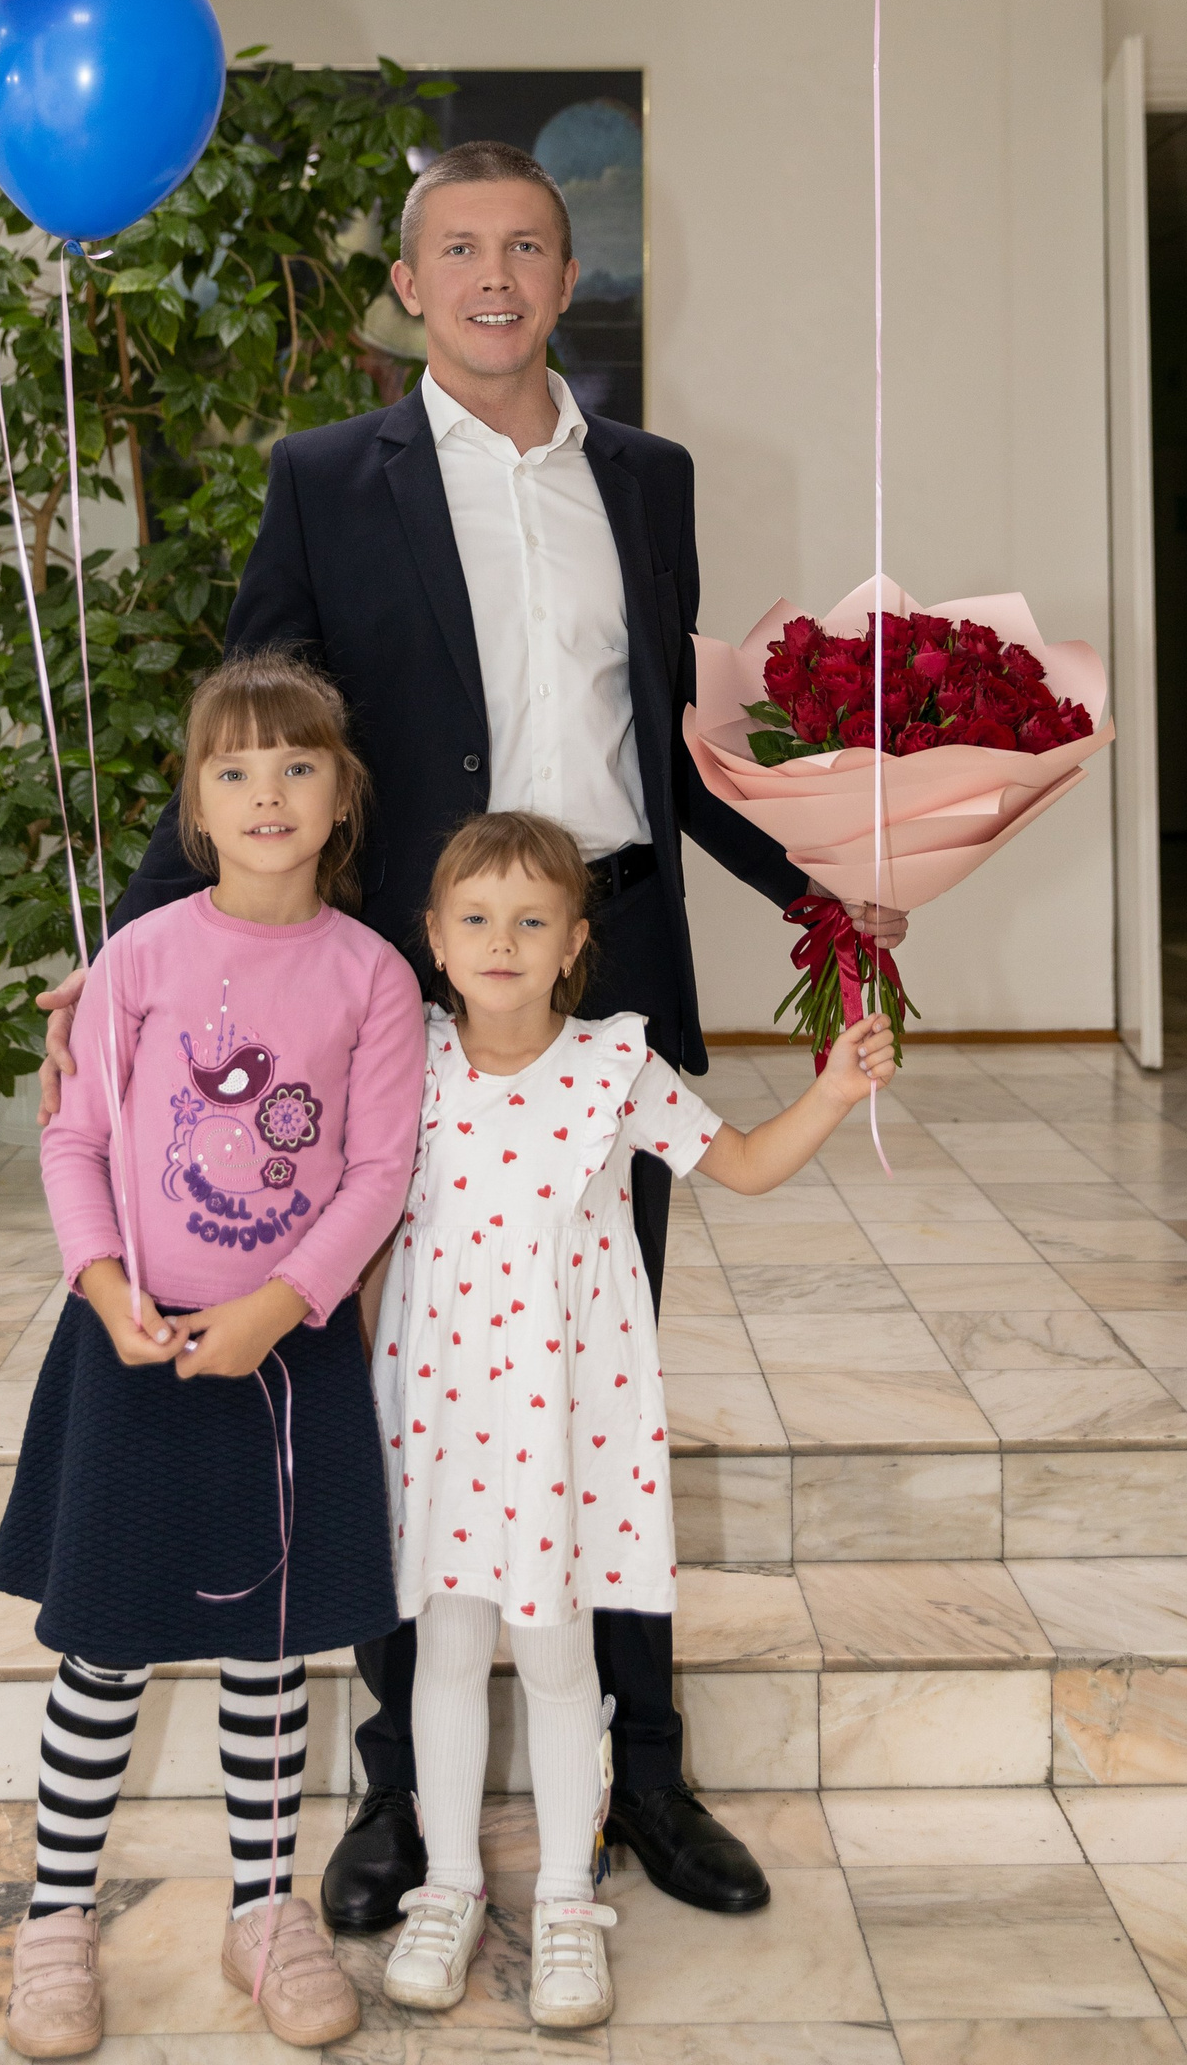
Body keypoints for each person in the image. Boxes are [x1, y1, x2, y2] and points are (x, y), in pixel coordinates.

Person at [37, 136, 885, 1926]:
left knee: (603, 1371)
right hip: (407, 985)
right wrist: (121, 963)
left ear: (570, 280)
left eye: (528, 246)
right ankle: (395, 1793)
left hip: (611, 960)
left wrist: (828, 890)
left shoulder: (648, 479)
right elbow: (251, 726)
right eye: (459, 249)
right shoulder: (324, 478)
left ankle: (645, 1769)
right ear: (408, 286)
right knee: (395, 1382)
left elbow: (673, 745)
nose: (495, 276)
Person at [375, 808, 896, 2028]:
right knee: (444, 1650)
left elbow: (746, 1164)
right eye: (475, 920)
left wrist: (832, 1089)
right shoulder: (407, 1062)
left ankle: (568, 1896)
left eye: (531, 921)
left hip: (558, 1420)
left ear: (575, 943)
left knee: (560, 1654)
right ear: (434, 938)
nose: (501, 943)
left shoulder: (615, 1068)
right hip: (444, 1412)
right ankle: (447, 1885)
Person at [0, 650, 424, 2057]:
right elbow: (77, 1140)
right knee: (102, 1654)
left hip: (284, 1360)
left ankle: (263, 1911)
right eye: (233, 769)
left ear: (343, 793)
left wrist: (282, 1306)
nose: (267, 792)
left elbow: (377, 1173)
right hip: (132, 1347)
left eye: (297, 765)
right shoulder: (140, 955)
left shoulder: (373, 976)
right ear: (195, 802)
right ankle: (57, 1916)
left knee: (268, 1654)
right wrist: (103, 1281)